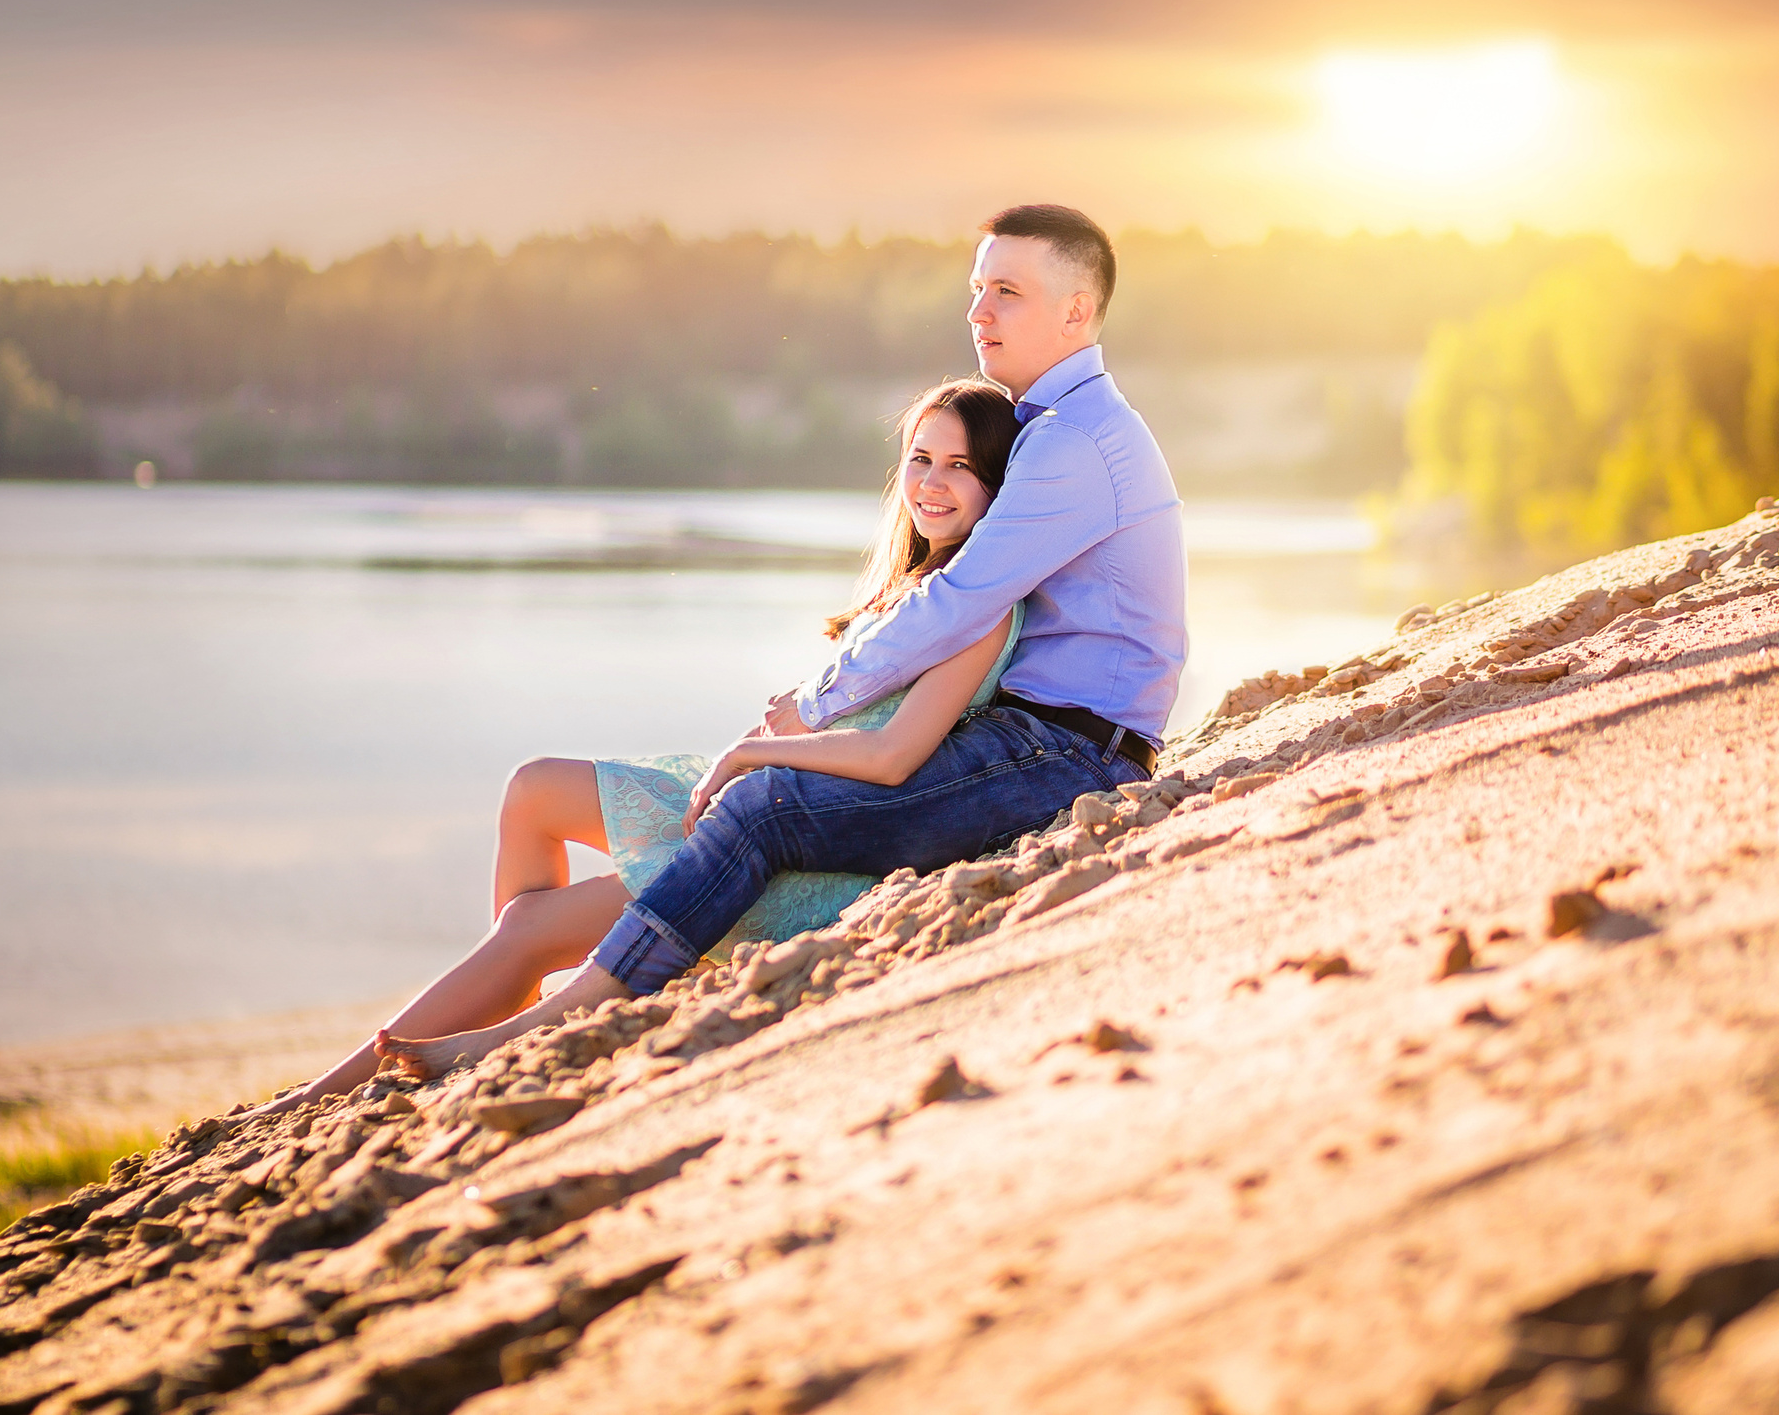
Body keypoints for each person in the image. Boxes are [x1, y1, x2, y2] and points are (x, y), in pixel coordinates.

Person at [369, 202, 1186, 1087]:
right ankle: (533, 985)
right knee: (707, 799)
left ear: (1076, 312)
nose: (980, 313)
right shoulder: (1056, 431)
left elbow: (960, 601)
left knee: (763, 807)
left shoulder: (1071, 443)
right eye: (977, 290)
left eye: (1009, 293)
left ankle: (557, 1021)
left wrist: (809, 704)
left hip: (1067, 753)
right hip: (1042, 737)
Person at [252, 377, 1028, 1112]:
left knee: (529, 926)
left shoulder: (980, 609)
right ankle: (514, 984)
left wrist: (754, 753)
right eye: (920, 458)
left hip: (798, 848)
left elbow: (894, 755)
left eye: (960, 467)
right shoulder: (916, 583)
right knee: (532, 791)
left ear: (998, 488)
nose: (931, 481)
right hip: (755, 797)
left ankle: (345, 1082)